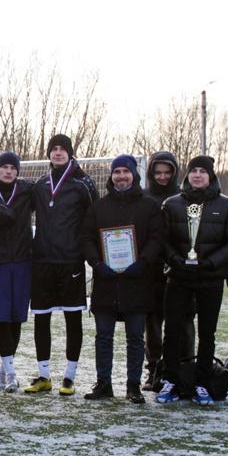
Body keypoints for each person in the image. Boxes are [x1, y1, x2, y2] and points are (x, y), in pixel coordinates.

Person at [156, 155, 228, 405]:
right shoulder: (171, 204)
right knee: (172, 330)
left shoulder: (227, 205)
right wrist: (175, 260)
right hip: (178, 277)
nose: (197, 175)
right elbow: (162, 240)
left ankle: (203, 382)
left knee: (208, 333)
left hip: (210, 279)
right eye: (193, 171)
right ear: (187, 175)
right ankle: (170, 380)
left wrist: (211, 263)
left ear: (210, 176)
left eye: (202, 172)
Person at [79, 155, 164, 403]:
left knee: (135, 338)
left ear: (134, 175)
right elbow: (86, 238)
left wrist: (143, 262)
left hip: (137, 283)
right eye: (117, 172)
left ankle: (133, 386)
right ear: (111, 176)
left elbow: (157, 239)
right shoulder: (98, 206)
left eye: (126, 171)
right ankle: (104, 384)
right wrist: (96, 263)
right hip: (106, 283)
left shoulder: (148, 206)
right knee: (103, 337)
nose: (121, 176)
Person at [26, 134, 98, 396]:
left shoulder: (83, 183)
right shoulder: (41, 185)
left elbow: (95, 218)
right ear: (49, 154)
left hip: (71, 261)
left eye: (62, 149)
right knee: (41, 319)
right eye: (53, 149)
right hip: (42, 260)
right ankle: (43, 376)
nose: (57, 153)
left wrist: (90, 253)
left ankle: (69, 377)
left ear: (70, 153)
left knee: (72, 318)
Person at [0, 151, 35, 393]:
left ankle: (4, 369)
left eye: (13, 168)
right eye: (4, 167)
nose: (8, 171)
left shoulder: (26, 190)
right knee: (1, 318)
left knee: (16, 319)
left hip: (23, 260)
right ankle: (11, 373)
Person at [143, 150, 190, 389]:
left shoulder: (184, 197)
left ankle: (184, 367)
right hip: (149, 270)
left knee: (182, 322)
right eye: (158, 172)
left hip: (179, 268)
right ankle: (153, 369)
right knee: (152, 323)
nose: (162, 176)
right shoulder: (143, 196)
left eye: (167, 172)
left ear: (174, 173)